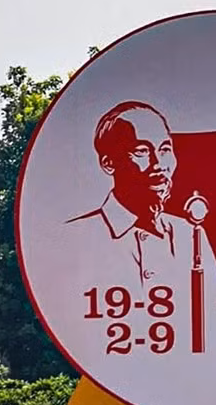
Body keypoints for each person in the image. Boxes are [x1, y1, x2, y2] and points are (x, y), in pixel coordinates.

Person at [64, 101, 193, 287]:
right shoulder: (75, 236)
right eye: (142, 151)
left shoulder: (190, 233)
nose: (158, 164)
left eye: (165, 149)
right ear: (108, 163)